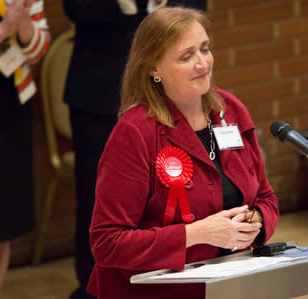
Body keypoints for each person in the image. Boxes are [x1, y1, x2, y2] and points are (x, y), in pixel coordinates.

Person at [86, 7, 279, 298]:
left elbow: (266, 198)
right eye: (186, 56)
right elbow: (107, 242)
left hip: (227, 285)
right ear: (154, 69)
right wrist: (197, 234)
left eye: (205, 49)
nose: (203, 63)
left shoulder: (231, 110)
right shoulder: (135, 132)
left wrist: (257, 221)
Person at [62, 1, 207, 298]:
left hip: (169, 92)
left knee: (175, 191)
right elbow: (77, 7)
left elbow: (196, 8)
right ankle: (94, 290)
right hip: (99, 90)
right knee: (95, 199)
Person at [0, 0, 49, 298]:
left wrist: (22, 23)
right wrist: (3, 29)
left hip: (11, 110)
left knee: (2, 229)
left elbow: (38, 49)